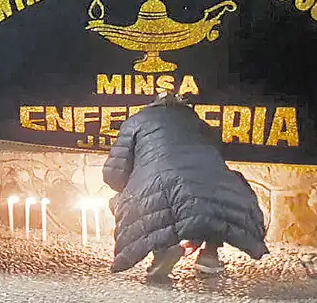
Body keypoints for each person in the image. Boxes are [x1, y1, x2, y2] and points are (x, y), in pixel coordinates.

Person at [102, 92, 268, 279]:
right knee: (212, 200)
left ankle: (163, 251)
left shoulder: (135, 122)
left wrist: (127, 187)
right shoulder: (198, 122)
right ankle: (210, 256)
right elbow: (216, 154)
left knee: (145, 204)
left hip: (159, 180)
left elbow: (114, 172)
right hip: (215, 181)